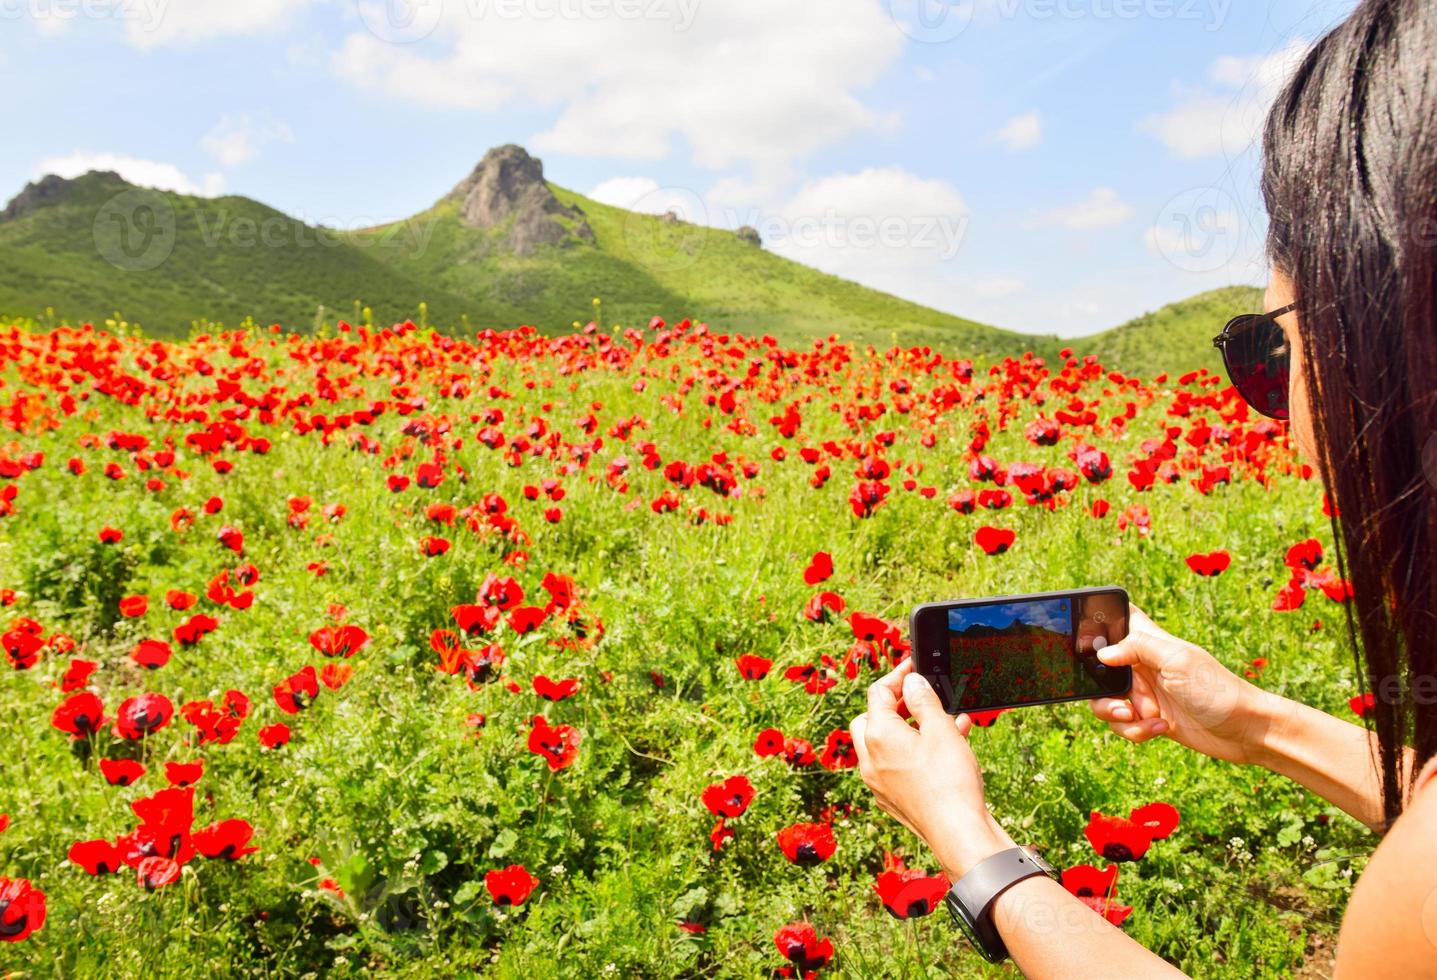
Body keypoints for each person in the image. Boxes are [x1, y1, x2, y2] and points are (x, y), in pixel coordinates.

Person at [849, 1, 1437, 975]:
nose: (1281, 431)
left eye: (1270, 351)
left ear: (1385, 339)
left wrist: (977, 847)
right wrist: (1254, 719)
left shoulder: (1416, 896)